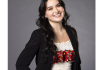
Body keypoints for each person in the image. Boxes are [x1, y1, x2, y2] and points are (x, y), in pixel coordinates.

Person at [16, 0, 81, 70]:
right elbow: (21, 64)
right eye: (50, 8)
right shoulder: (39, 34)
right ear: (45, 14)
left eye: (58, 5)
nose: (56, 10)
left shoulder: (72, 32)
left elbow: (77, 64)